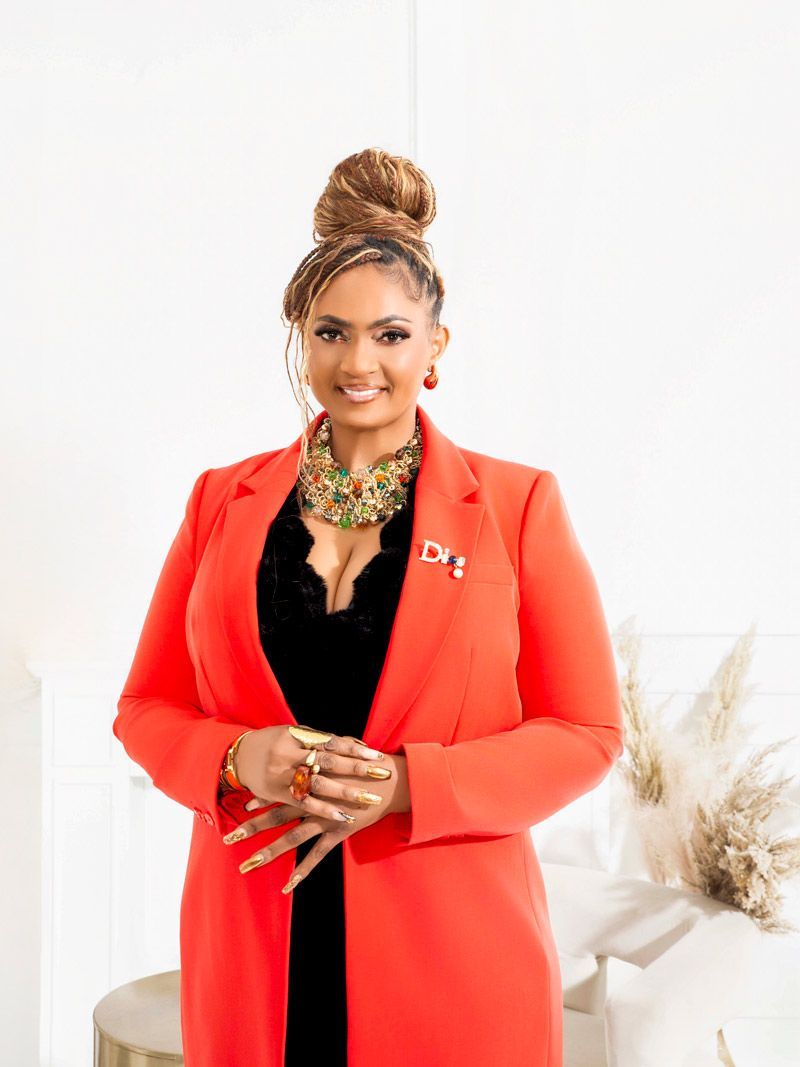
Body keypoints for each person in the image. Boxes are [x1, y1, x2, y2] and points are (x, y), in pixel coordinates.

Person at [113, 147, 624, 1067]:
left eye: (390, 334)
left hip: (452, 952)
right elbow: (145, 708)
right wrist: (239, 754)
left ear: (435, 347)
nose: (359, 362)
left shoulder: (518, 506)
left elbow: (585, 729)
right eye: (331, 331)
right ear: (301, 338)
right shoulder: (217, 502)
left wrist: (405, 785)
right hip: (255, 944)